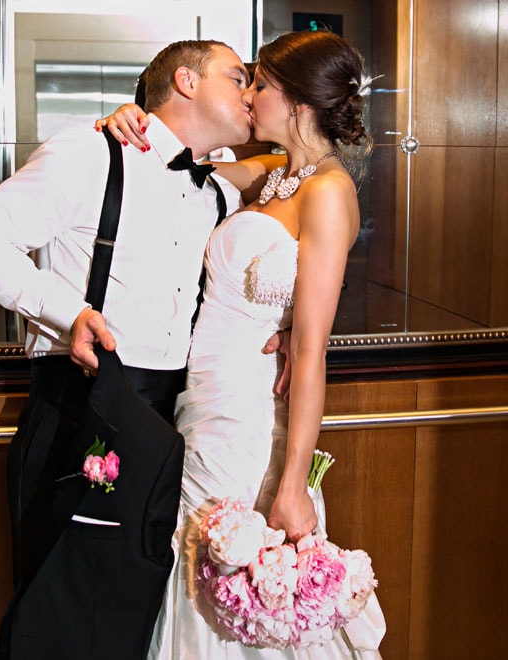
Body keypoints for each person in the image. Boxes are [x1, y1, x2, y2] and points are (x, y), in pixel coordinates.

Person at [0, 39, 274, 660]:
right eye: (238, 77)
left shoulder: (216, 187)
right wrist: (67, 313)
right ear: (185, 80)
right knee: (59, 606)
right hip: (82, 404)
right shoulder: (89, 152)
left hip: (166, 418)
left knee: (132, 611)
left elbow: (296, 159)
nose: (248, 91)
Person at [96, 29, 387, 659]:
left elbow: (310, 351)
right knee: (189, 555)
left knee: (236, 571)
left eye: (261, 84)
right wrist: (131, 119)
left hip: (252, 411)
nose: (250, 95)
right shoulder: (275, 173)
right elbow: (174, 162)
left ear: (299, 99)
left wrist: (291, 484)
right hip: (203, 396)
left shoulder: (330, 191)